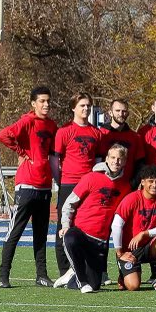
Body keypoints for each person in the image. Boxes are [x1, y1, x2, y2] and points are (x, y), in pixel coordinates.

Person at [0, 86, 58, 288]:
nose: (46, 104)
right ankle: (4, 275)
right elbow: (2, 135)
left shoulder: (51, 125)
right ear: (33, 103)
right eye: (42, 101)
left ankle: (41, 275)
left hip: (45, 186)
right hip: (26, 185)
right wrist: (21, 150)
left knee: (41, 234)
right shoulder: (27, 121)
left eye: (48, 101)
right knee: (16, 230)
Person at [59, 144, 131, 293]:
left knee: (95, 285)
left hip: (99, 241)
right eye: (112, 157)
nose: (116, 161)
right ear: (106, 159)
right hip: (80, 232)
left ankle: (73, 277)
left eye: (120, 159)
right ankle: (81, 279)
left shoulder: (125, 186)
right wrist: (65, 225)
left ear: (124, 162)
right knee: (70, 238)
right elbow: (69, 203)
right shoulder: (91, 178)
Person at [52, 92, 102, 280]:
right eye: (82, 105)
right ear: (73, 107)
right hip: (69, 183)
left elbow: (98, 161)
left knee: (86, 225)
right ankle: (65, 270)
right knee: (64, 226)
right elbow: (55, 160)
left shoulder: (96, 133)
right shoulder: (64, 131)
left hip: (88, 185)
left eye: (88, 106)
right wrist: (60, 181)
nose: (86, 109)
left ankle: (85, 269)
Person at [111, 165, 156, 291]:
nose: (154, 185)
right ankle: (122, 275)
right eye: (150, 181)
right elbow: (116, 224)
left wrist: (144, 233)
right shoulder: (132, 198)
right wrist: (120, 253)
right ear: (142, 182)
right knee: (133, 286)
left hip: (150, 246)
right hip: (130, 249)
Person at [97, 98, 145, 186]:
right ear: (110, 112)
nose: (121, 114)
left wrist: (133, 183)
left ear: (128, 113)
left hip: (126, 186)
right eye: (117, 110)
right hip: (103, 185)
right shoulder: (100, 134)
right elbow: (96, 160)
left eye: (124, 111)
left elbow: (140, 164)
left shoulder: (135, 137)